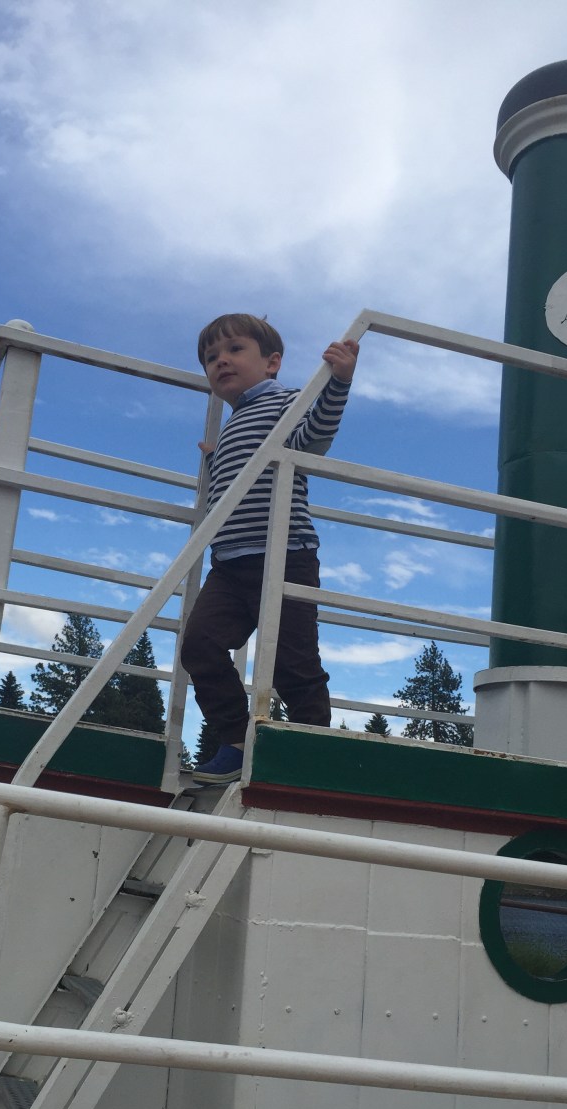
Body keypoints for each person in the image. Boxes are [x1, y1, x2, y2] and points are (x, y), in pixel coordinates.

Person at [181, 313, 359, 784]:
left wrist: (338, 383)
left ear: (272, 362)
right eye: (210, 358)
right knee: (199, 645)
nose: (221, 361)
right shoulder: (234, 423)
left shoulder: (285, 401)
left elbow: (312, 439)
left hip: (284, 555)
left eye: (234, 349)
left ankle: (309, 748)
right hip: (228, 564)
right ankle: (237, 740)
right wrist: (214, 459)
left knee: (292, 661)